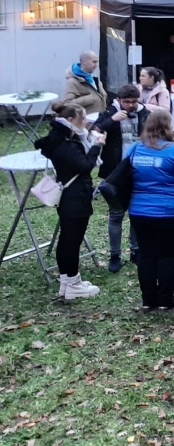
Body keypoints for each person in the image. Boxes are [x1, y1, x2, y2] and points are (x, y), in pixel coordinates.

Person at [128, 110, 174, 311]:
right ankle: (166, 299)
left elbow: (125, 176)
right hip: (172, 211)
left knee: (146, 254)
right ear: (169, 126)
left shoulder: (135, 150)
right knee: (168, 255)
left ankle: (148, 299)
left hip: (140, 210)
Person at [35, 102, 106, 299]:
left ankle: (68, 283)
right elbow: (84, 166)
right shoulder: (65, 144)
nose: (85, 122)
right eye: (83, 118)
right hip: (75, 195)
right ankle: (73, 284)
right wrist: (97, 146)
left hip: (69, 194)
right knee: (72, 241)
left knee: (67, 239)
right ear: (71, 120)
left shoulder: (59, 138)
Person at [95, 84, 150, 273]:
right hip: (115, 171)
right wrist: (112, 120)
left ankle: (136, 251)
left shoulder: (145, 114)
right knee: (116, 214)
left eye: (134, 101)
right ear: (119, 101)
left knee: (136, 212)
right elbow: (94, 130)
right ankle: (115, 255)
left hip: (139, 169)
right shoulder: (110, 112)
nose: (131, 105)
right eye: (127, 102)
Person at [62, 50, 107, 115]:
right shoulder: (72, 82)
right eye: (94, 62)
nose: (97, 65)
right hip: (85, 120)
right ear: (84, 62)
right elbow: (67, 104)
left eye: (97, 62)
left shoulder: (94, 78)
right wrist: (90, 98)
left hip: (99, 118)